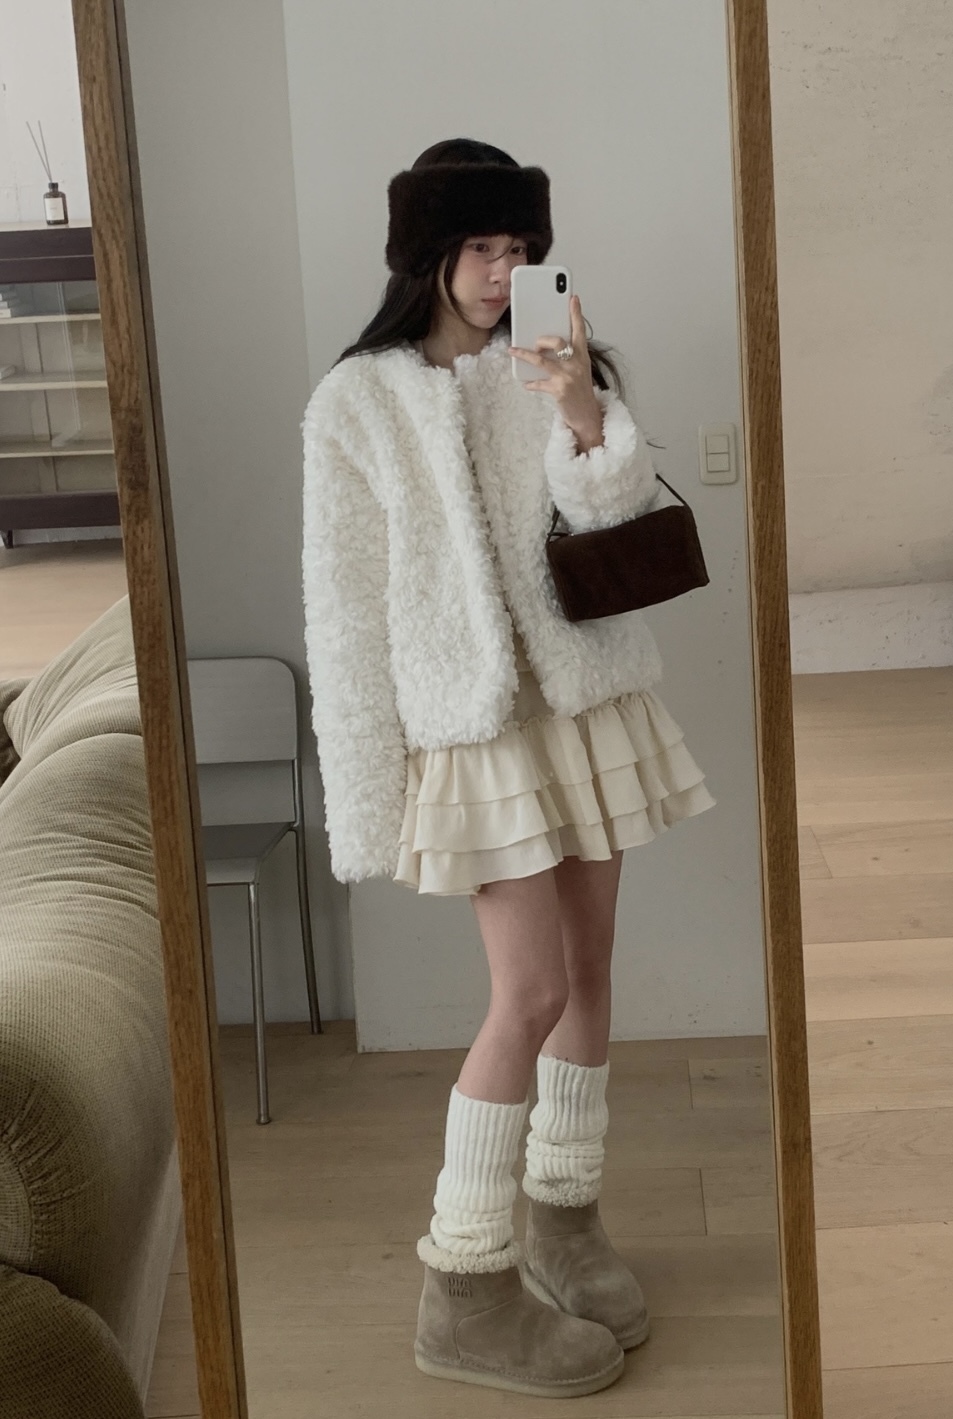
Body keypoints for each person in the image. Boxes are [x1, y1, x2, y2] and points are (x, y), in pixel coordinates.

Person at [301, 138, 716, 1398]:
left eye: (520, 250)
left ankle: (565, 1225)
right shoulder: (357, 403)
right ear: (426, 253)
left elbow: (611, 527)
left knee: (588, 976)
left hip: (582, 705)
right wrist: (367, 797)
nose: (500, 272)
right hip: (475, 730)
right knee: (525, 994)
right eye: (480, 248)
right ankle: (465, 1285)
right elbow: (346, 611)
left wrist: (583, 412)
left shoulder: (546, 367)